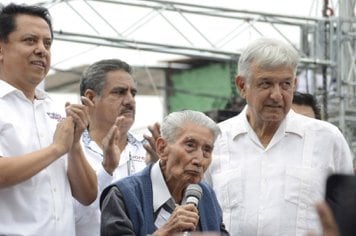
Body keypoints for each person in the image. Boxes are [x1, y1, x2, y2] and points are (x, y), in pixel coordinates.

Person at [0, 3, 97, 235]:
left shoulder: (55, 108)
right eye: (29, 40)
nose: (42, 50)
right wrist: (56, 148)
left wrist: (73, 146)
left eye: (47, 43)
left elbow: (87, 196)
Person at [204, 37, 354, 235]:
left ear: (295, 84)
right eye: (266, 84)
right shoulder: (214, 141)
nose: (277, 95)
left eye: (285, 84)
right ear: (242, 86)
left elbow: (348, 219)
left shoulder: (327, 139)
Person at [100, 109, 228, 236]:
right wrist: (166, 232)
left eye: (207, 150)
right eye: (190, 145)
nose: (199, 160)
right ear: (162, 148)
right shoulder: (122, 196)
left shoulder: (206, 194)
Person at [74, 58, 148, 235]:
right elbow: (69, 214)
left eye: (133, 93)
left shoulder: (148, 151)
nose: (130, 101)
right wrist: (105, 171)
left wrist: (158, 173)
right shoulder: (71, 150)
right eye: (119, 92)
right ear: (91, 98)